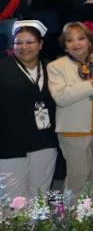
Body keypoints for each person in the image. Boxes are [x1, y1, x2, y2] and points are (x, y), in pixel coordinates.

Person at [48, 22, 93, 195]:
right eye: (70, 40)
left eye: (81, 38)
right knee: (78, 180)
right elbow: (61, 97)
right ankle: (72, 213)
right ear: (65, 46)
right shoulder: (56, 66)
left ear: (89, 42)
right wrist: (92, 83)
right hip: (73, 129)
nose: (76, 43)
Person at [0, 21, 58, 199]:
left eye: (30, 42)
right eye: (18, 42)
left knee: (40, 197)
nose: (24, 47)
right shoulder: (3, 68)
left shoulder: (51, 68)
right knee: (13, 200)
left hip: (44, 141)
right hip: (10, 144)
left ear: (40, 44)